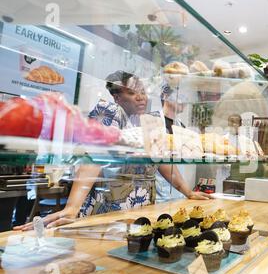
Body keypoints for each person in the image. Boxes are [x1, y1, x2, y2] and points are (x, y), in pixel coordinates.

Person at [15, 71, 211, 231]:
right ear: (117, 97)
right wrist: (72, 207)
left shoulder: (150, 122)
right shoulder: (110, 110)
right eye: (133, 93)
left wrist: (187, 192)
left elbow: (163, 163)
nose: (141, 97)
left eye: (142, 91)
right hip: (110, 206)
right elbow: (93, 154)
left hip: (141, 207)